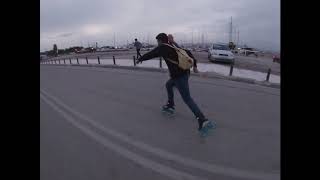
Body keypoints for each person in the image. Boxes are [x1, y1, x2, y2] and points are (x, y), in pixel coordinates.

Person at [136, 33, 215, 136]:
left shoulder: (163, 47)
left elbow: (151, 54)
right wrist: (194, 65)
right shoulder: (173, 46)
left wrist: (140, 59)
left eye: (158, 41)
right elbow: (188, 53)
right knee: (168, 85)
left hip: (179, 77)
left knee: (187, 99)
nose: (157, 43)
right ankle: (171, 105)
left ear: (160, 40)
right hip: (184, 73)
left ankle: (202, 120)